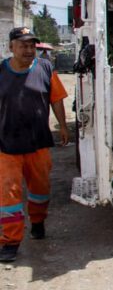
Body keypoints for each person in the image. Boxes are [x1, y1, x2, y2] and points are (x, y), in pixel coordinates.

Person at [0, 27, 68, 262]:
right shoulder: (1, 71)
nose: (29, 50)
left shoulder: (45, 68)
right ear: (11, 47)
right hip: (7, 145)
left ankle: (37, 222)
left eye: (32, 46)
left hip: (38, 142)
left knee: (40, 190)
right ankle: (10, 242)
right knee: (9, 196)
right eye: (23, 45)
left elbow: (56, 99)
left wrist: (64, 126)